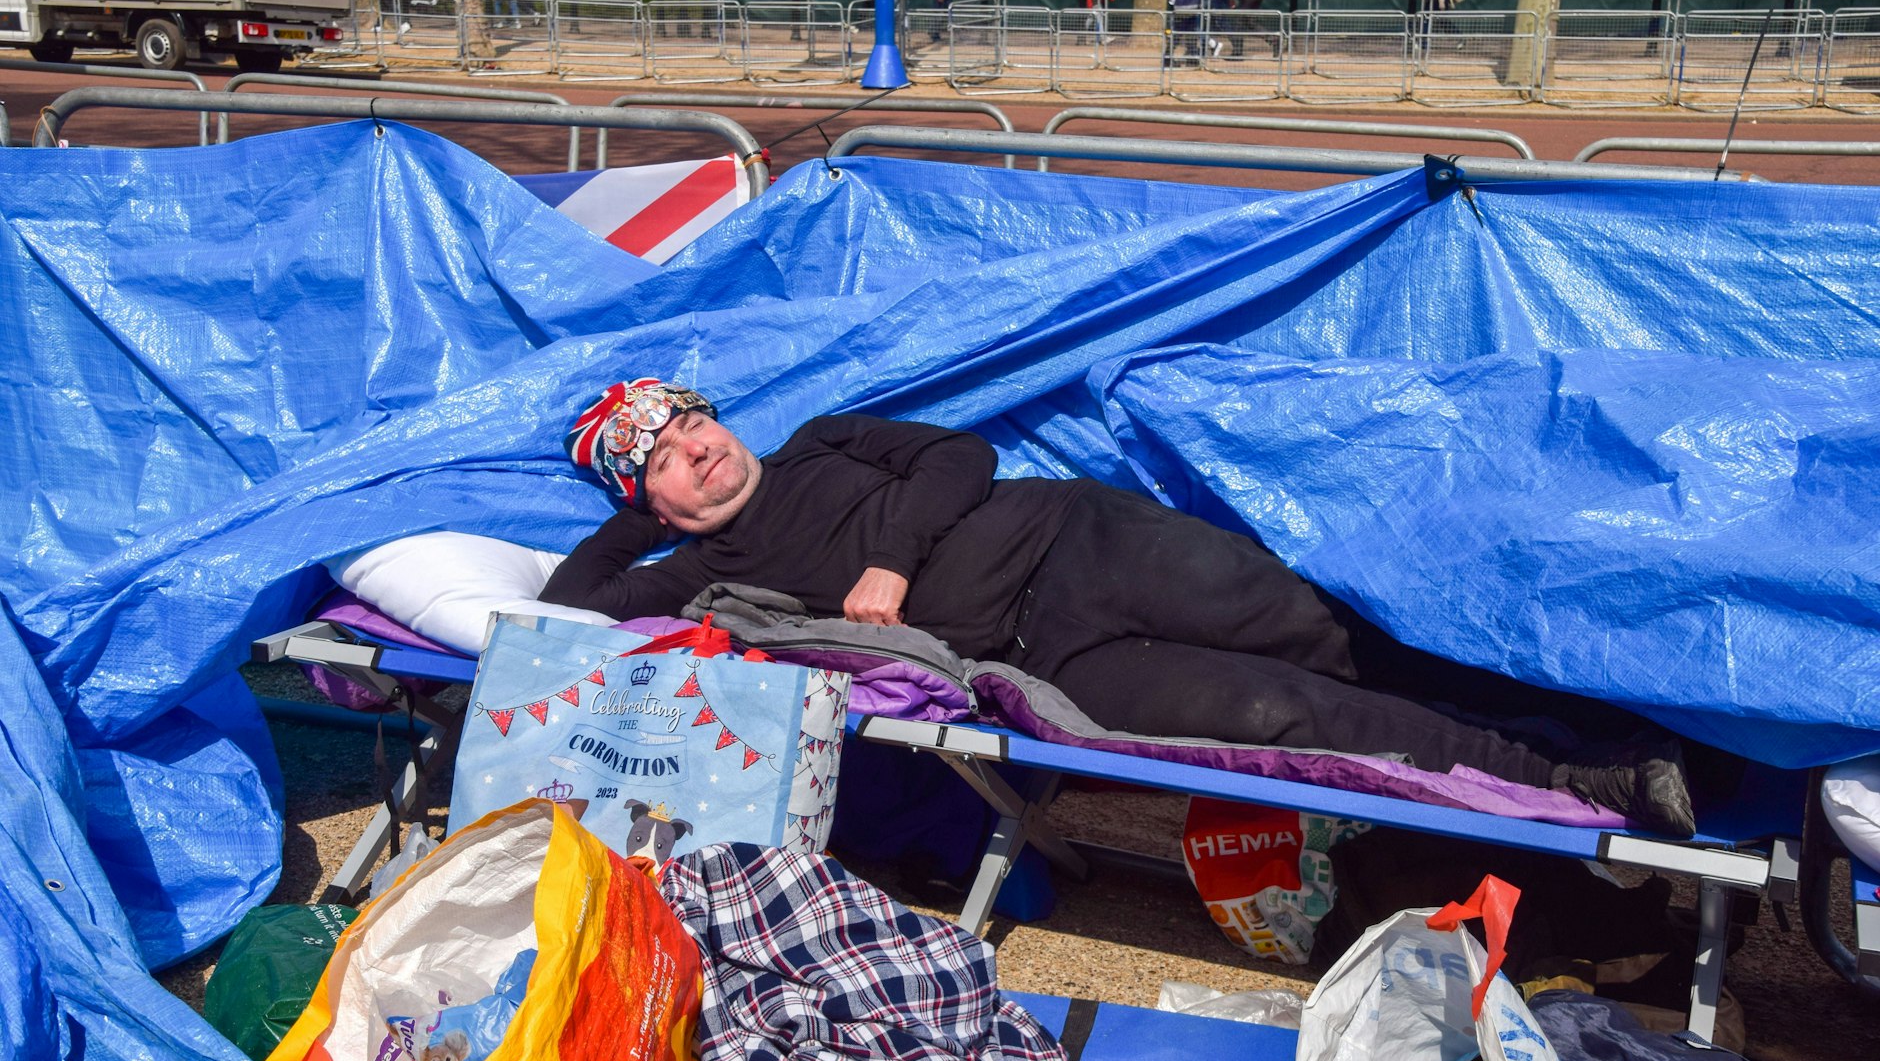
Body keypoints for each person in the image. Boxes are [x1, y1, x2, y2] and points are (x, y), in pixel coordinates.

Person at [541, 381, 1698, 836]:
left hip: (1079, 537)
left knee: (1323, 635)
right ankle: (1578, 783)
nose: (700, 450)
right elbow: (567, 603)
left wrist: (889, 559)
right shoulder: (688, 571)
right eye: (668, 461)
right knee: (1276, 712)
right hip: (1046, 661)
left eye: (693, 423)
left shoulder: (820, 441)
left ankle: (1603, 721)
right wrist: (637, 510)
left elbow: (959, 458)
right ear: (647, 500)